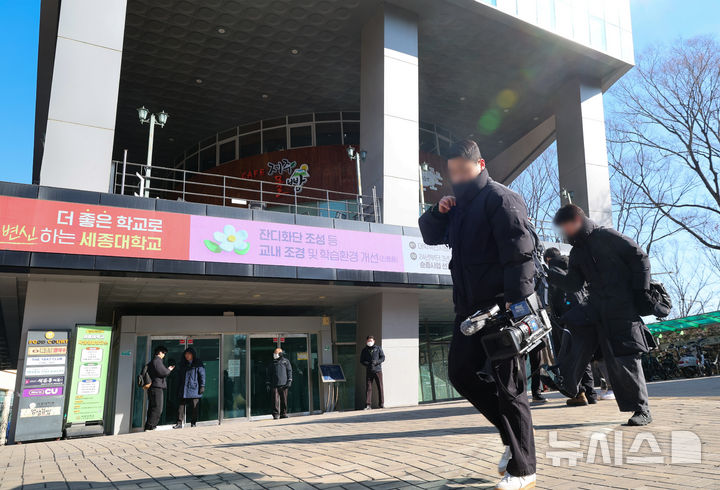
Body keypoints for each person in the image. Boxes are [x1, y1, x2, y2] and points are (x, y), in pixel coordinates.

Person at [419, 139, 537, 490]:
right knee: (460, 373)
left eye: (463, 170)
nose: (457, 177)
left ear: (480, 165)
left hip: (501, 308)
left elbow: (520, 255)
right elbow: (429, 236)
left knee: (509, 387)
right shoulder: (458, 206)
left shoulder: (501, 199)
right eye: (452, 172)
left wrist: (516, 306)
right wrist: (438, 211)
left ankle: (524, 469)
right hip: (469, 310)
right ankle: (511, 437)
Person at [548, 204, 653, 426]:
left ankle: (642, 410)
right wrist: (551, 275)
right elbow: (574, 284)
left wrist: (640, 292)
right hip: (597, 308)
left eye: (565, 226)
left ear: (577, 220)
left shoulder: (606, 236)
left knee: (625, 356)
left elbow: (640, 257)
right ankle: (566, 380)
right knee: (574, 330)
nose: (564, 232)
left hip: (622, 306)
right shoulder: (577, 252)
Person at [542, 247, 597, 407]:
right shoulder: (572, 266)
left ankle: (578, 393)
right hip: (584, 314)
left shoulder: (553, 271)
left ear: (548, 259)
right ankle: (591, 393)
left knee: (570, 356)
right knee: (584, 355)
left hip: (566, 319)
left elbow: (552, 298)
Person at [173, 347, 205, 429]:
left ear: (193, 354)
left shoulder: (198, 363)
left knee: (194, 407)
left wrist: (202, 386)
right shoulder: (182, 363)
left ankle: (193, 423)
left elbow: (202, 375)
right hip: (183, 388)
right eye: (186, 354)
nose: (187, 355)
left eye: (189, 354)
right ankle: (179, 423)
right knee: (180, 406)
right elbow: (179, 376)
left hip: (194, 388)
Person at [144, 345, 174, 430]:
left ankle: (149, 425)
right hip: (156, 387)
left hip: (153, 387)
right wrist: (169, 369)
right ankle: (151, 426)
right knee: (157, 408)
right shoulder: (157, 361)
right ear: (160, 352)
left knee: (152, 407)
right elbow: (163, 372)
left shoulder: (153, 361)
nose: (164, 355)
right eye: (163, 353)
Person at [360, 335, 385, 410]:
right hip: (369, 371)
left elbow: (383, 357)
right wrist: (368, 364)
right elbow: (362, 361)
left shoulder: (378, 348)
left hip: (378, 370)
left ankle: (381, 404)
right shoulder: (364, 350)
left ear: (374, 341)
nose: (369, 342)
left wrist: (377, 362)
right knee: (368, 388)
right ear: (366, 341)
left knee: (380, 387)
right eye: (368, 341)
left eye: (371, 341)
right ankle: (368, 405)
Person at [266, 348, 292, 419]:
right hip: (274, 384)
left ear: (280, 354)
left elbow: (289, 371)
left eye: (276, 353)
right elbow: (269, 374)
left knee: (284, 400)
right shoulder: (272, 363)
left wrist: (289, 380)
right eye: (274, 353)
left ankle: (283, 413)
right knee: (275, 401)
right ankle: (275, 414)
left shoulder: (286, 361)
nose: (274, 355)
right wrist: (268, 383)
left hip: (284, 384)